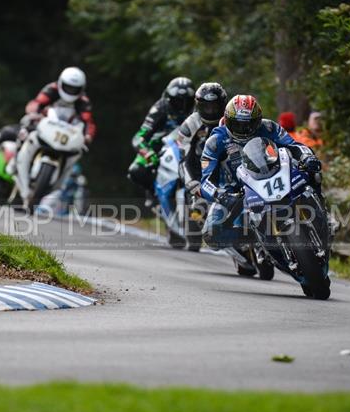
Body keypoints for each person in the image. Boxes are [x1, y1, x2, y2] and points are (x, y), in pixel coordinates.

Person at [199, 94, 323, 273]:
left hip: (271, 175)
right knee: (211, 234)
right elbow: (205, 181)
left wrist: (307, 156)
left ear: (257, 120)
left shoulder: (269, 126)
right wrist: (221, 195)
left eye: (249, 123)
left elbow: (293, 145)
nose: (244, 129)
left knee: (313, 172)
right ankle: (253, 241)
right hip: (234, 191)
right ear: (227, 120)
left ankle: (321, 212)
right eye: (238, 124)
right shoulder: (215, 141)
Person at [10, 67, 96, 204]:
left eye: (74, 89)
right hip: (45, 126)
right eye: (67, 87)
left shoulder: (84, 101)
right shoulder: (51, 89)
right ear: (61, 83)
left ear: (81, 88)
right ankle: (16, 161)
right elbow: (37, 103)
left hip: (66, 136)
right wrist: (33, 114)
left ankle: (59, 182)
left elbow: (88, 122)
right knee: (24, 132)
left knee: (78, 152)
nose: (70, 91)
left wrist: (88, 137)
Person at [127, 76, 195, 206]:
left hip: (191, 144)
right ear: (169, 98)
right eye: (177, 101)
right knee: (136, 171)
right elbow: (138, 137)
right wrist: (148, 153)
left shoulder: (198, 108)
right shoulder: (160, 108)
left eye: (187, 101)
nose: (182, 106)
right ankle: (153, 193)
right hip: (160, 144)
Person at [178, 82, 229, 219]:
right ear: (199, 105)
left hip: (229, 172)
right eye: (207, 107)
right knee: (196, 210)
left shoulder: (232, 119)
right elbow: (182, 160)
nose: (211, 111)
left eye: (214, 106)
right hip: (200, 174)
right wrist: (193, 184)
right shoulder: (190, 124)